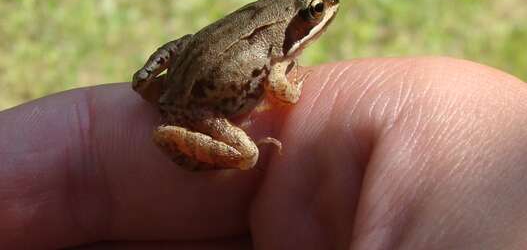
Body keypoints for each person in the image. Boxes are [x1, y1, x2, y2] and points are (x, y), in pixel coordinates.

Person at [1, 57, 526, 249]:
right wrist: (288, 76)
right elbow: (287, 95)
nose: (324, 13)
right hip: (192, 114)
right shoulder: (278, 58)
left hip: (174, 79)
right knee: (250, 155)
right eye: (312, 13)